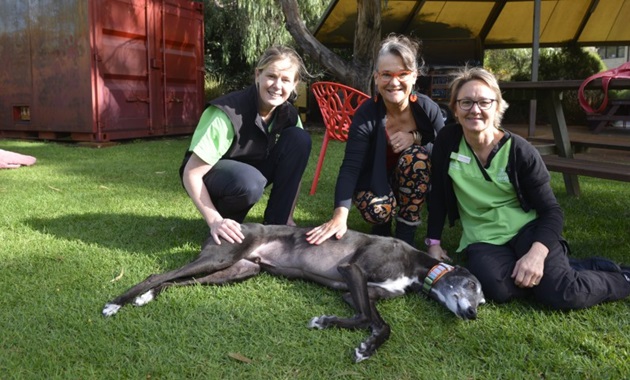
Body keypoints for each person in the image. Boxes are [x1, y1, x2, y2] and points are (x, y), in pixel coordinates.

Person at [425, 66, 630, 310]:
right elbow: (437, 194)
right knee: (498, 289)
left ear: (498, 106)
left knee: (563, 293)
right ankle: (564, 268)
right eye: (466, 102)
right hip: (483, 237)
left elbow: (552, 211)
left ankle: (622, 278)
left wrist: (537, 254)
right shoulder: (447, 142)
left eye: (484, 102)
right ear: (455, 109)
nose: (475, 109)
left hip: (527, 230)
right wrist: (433, 242)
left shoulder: (520, 152)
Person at [307, 34, 444, 247]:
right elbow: (351, 167)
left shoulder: (427, 109)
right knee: (378, 210)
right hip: (373, 181)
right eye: (387, 74)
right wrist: (339, 215)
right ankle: (382, 225)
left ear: (415, 76)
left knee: (417, 157)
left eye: (403, 74)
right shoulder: (366, 113)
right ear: (376, 77)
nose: (394, 82)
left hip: (409, 181)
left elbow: (444, 152)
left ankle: (406, 231)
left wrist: (415, 138)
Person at [180, 45, 312, 245]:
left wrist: (288, 216)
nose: (277, 85)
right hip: (217, 180)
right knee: (250, 181)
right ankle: (225, 221)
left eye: (285, 80)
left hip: (251, 174)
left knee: (300, 139)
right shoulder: (227, 111)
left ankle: (277, 224)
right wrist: (215, 221)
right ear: (257, 75)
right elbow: (191, 173)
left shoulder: (289, 115)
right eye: (271, 76)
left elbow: (294, 171)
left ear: (295, 84)